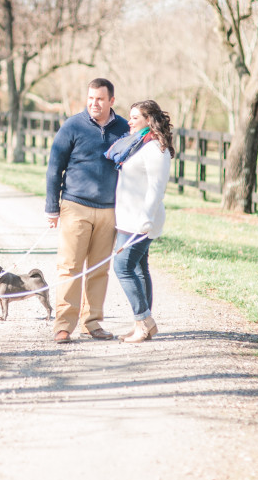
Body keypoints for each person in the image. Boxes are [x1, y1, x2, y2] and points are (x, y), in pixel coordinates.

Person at [45, 78, 129, 343]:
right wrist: (52, 208)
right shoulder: (72, 126)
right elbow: (53, 168)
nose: (94, 103)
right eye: (91, 98)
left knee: (98, 270)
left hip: (109, 211)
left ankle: (92, 322)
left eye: (100, 99)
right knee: (69, 267)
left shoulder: (124, 128)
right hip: (75, 206)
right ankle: (63, 326)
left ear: (111, 101)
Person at [105, 99, 174, 343]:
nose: (130, 121)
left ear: (148, 120)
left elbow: (156, 188)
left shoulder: (155, 149)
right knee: (138, 268)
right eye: (130, 116)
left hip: (141, 221)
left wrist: (145, 220)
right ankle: (142, 325)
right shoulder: (138, 144)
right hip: (128, 218)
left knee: (122, 267)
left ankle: (144, 323)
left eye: (135, 117)